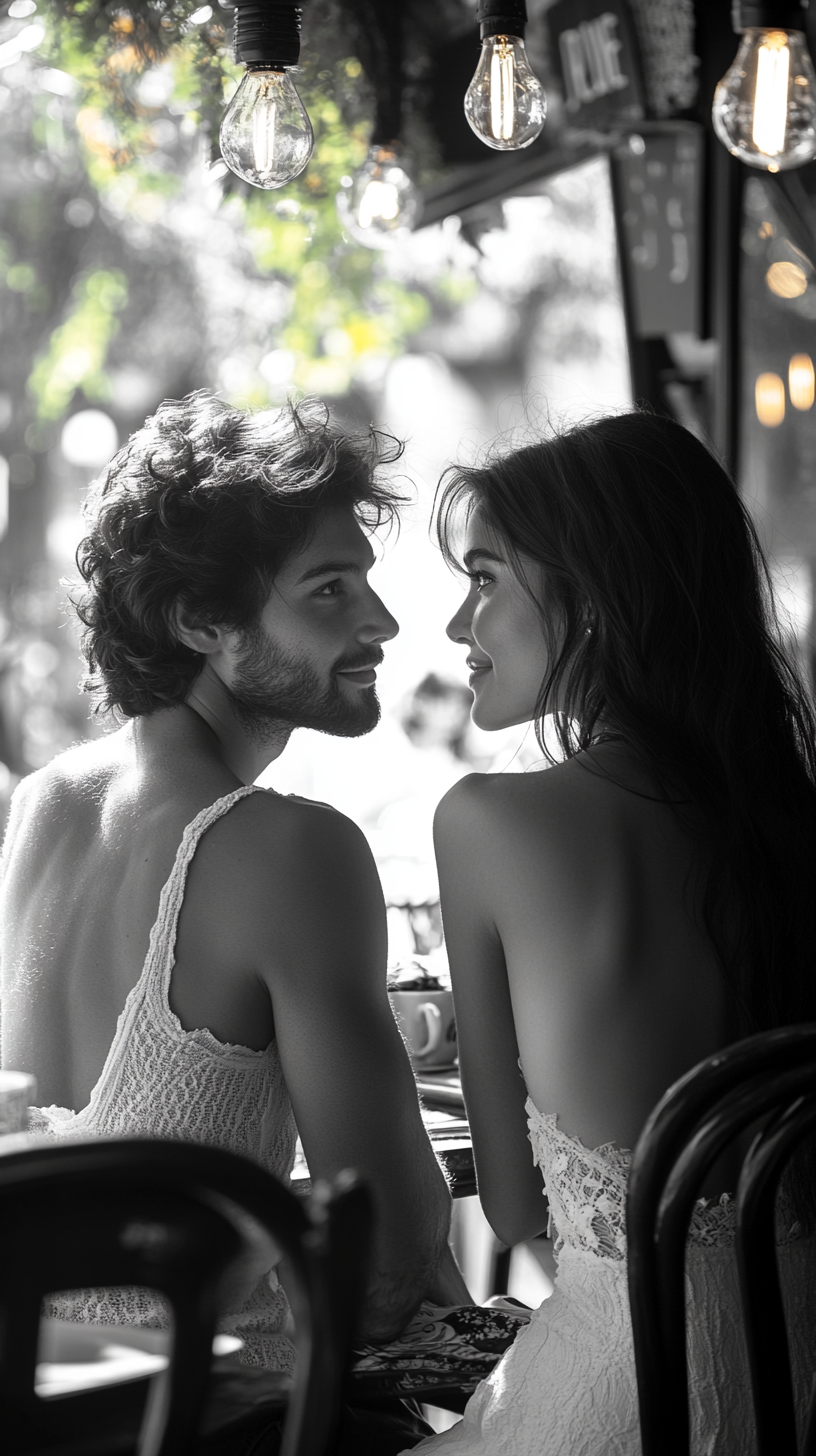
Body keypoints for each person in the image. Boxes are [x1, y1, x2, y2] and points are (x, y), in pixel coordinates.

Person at [0, 392, 465, 1452]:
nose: (383, 622)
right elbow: (391, 1257)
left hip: (38, 1407)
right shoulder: (288, 848)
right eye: (329, 590)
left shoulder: (39, 803)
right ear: (201, 622)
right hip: (221, 1425)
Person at [404, 411, 816, 1455]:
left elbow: (508, 1202)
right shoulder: (786, 819)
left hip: (625, 1397)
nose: (460, 624)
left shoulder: (487, 823)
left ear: (586, 600)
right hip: (803, 1379)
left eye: (486, 577)